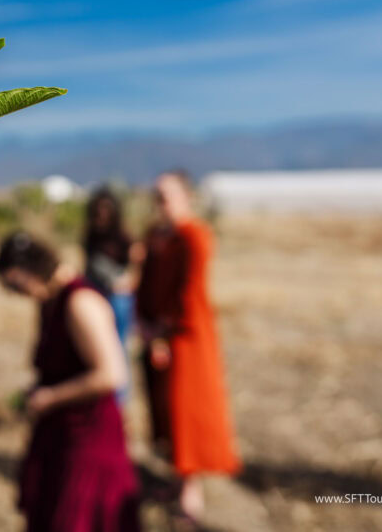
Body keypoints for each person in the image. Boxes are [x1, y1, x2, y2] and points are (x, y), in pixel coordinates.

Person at [0, 232, 140, 532]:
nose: (17, 293)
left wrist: (50, 397)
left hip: (89, 437)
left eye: (15, 285)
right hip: (60, 432)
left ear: (30, 271)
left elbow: (111, 374)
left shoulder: (80, 302)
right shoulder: (50, 299)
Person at [136, 172, 240, 524]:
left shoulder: (194, 235)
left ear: (186, 196)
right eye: (157, 194)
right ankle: (175, 479)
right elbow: (145, 281)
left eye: (168, 195)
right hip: (156, 335)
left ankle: (189, 491)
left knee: (185, 410)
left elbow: (190, 290)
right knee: (162, 409)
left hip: (185, 338)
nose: (161, 201)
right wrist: (145, 326)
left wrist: (164, 332)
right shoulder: (155, 235)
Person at [83, 187, 144, 405]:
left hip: (118, 299)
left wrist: (128, 284)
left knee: (118, 346)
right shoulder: (91, 235)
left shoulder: (123, 236)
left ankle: (118, 399)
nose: (102, 215)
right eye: (98, 211)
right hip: (97, 295)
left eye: (106, 210)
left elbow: (137, 264)